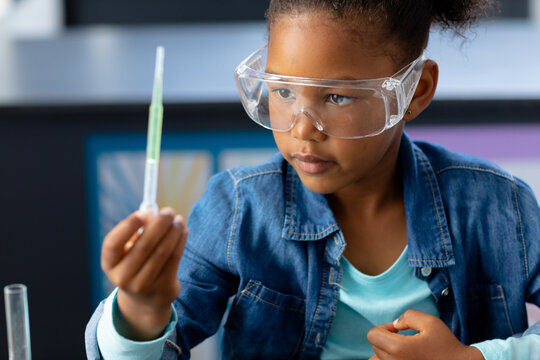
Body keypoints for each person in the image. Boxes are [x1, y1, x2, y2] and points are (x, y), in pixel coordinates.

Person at [85, 0, 540, 359]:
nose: (303, 129)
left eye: (337, 96)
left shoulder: (499, 206)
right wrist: (140, 310)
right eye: (283, 91)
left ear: (414, 92)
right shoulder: (238, 210)